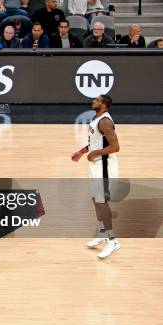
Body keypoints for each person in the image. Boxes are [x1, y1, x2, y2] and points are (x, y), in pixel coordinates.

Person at [71, 95, 121, 259]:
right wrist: (82, 151)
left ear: (104, 105)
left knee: (102, 201)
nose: (93, 101)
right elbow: (95, 142)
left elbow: (115, 147)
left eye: (97, 100)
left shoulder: (105, 122)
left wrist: (95, 153)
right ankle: (102, 232)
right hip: (96, 164)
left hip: (105, 165)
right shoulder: (96, 118)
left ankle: (112, 240)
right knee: (95, 199)